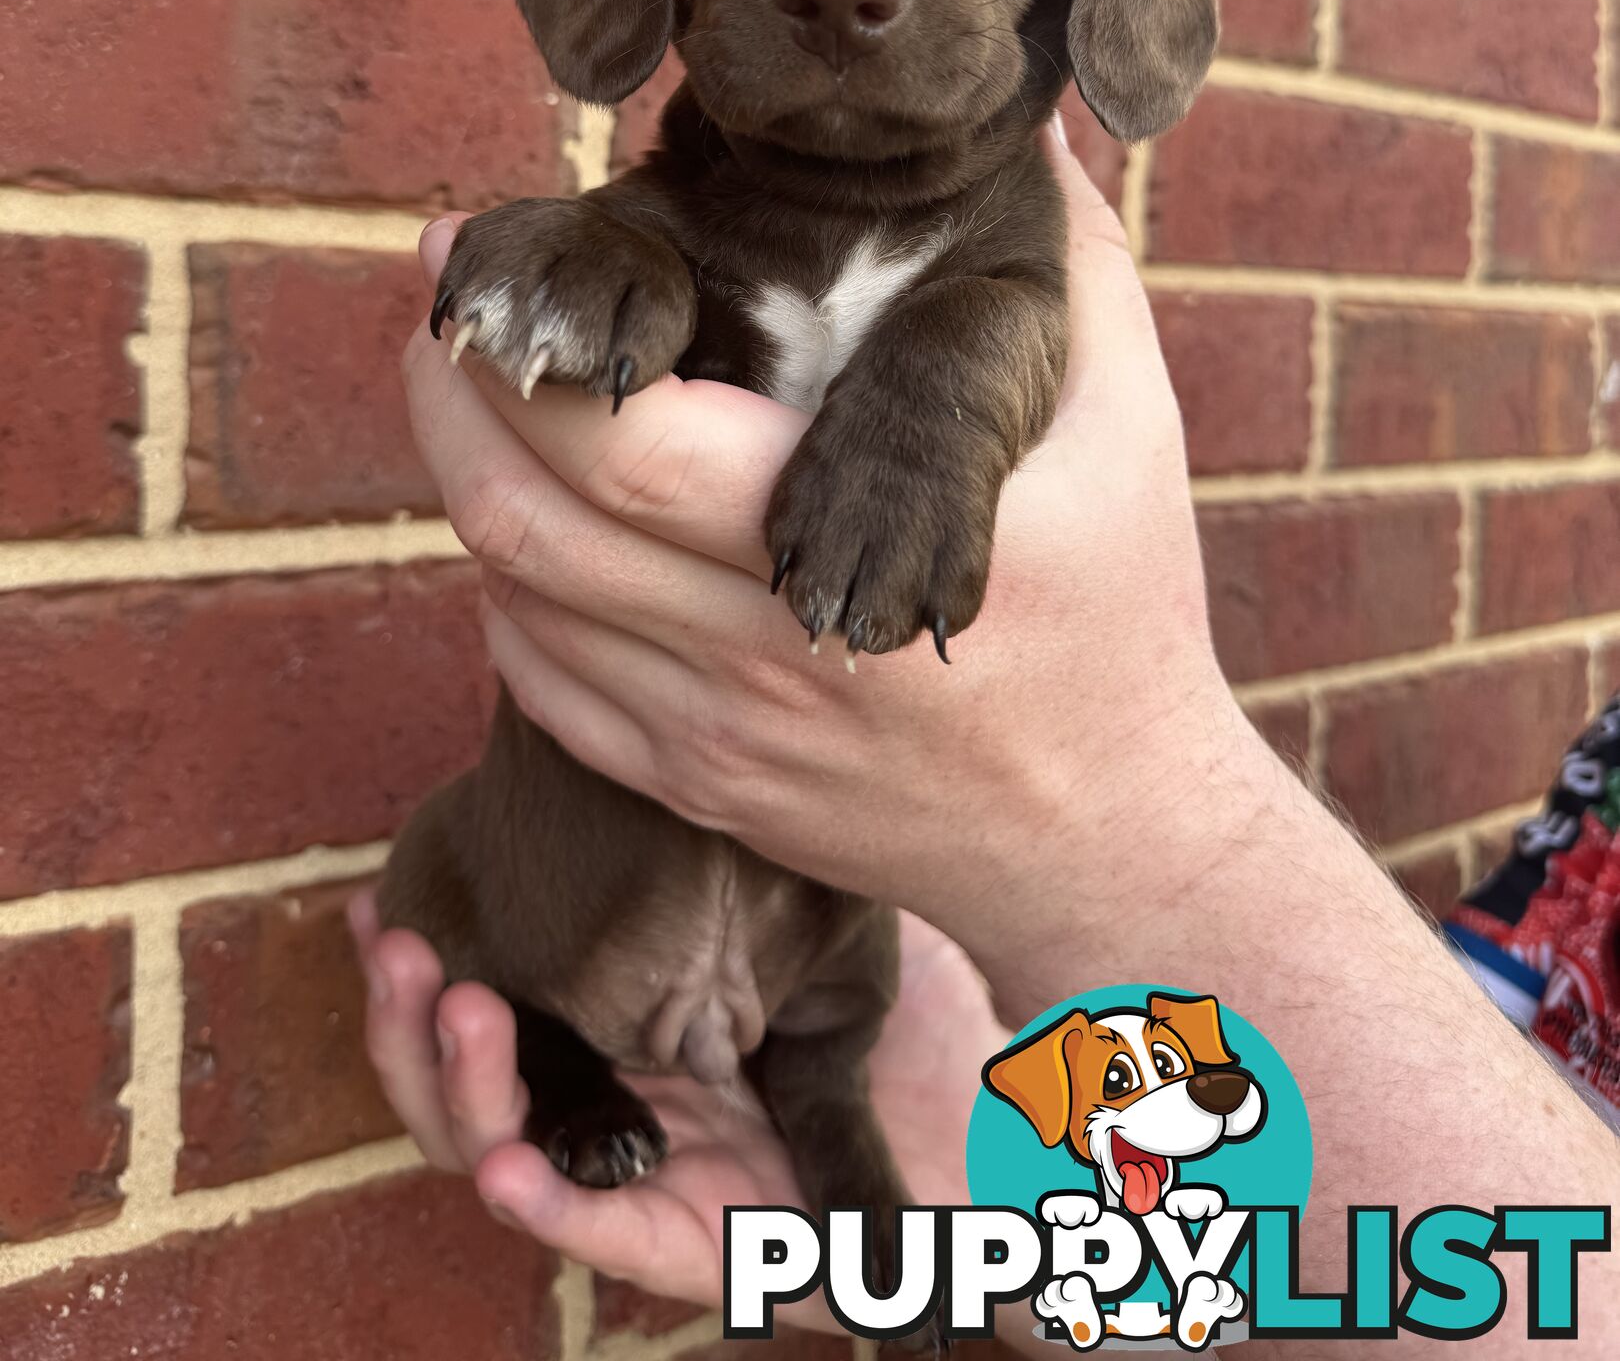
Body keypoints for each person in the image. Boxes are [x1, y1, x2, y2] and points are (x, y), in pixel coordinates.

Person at [352, 123, 1620, 1353]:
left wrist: (1138, 801)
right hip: (749, 969)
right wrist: (1000, 1216)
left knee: (822, 1030)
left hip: (821, 970)